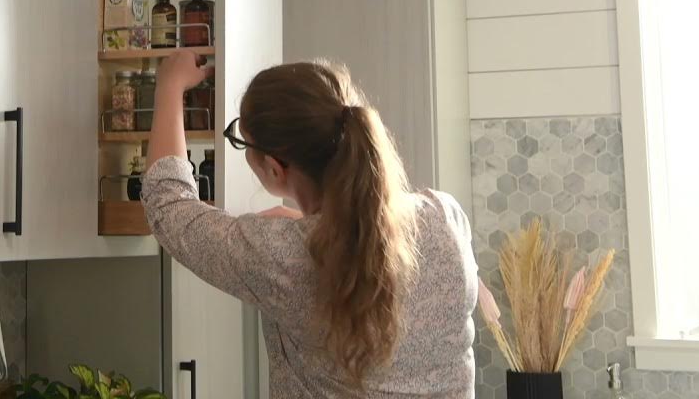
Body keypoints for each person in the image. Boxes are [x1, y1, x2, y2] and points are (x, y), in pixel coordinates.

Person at [142, 51, 477, 398]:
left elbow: (170, 207)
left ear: (275, 168)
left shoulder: (282, 255)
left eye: (241, 141)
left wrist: (169, 85)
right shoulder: (445, 217)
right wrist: (312, 226)